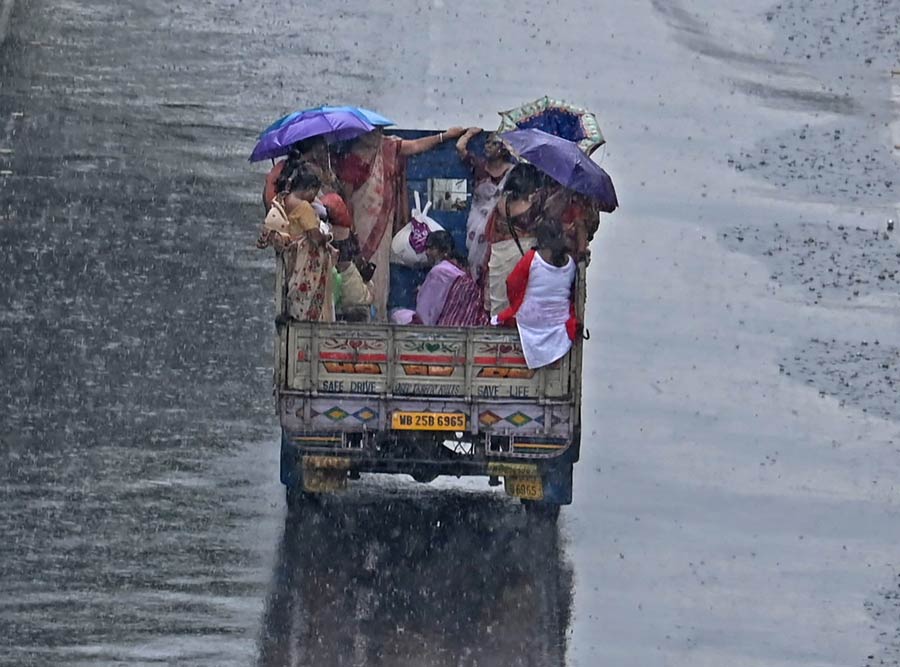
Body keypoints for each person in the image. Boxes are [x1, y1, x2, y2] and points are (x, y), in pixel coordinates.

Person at [333, 126, 467, 321]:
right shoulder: (351, 160)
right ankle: (358, 317)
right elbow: (344, 197)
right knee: (353, 270)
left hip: (380, 229)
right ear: (359, 134)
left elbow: (415, 146)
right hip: (358, 227)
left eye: (379, 131)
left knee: (378, 274)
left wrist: (443, 136)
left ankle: (375, 317)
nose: (376, 136)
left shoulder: (387, 147)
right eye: (372, 132)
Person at [257, 163, 335, 322]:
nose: (314, 198)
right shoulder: (304, 207)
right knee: (306, 293)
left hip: (290, 256)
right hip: (302, 259)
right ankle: (306, 316)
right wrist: (326, 237)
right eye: (314, 193)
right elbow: (314, 236)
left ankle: (293, 312)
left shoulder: (283, 198)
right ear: (310, 189)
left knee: (293, 289)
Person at [493, 221, 577, 369]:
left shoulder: (532, 258)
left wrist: (516, 305)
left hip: (530, 321)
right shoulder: (571, 264)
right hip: (559, 325)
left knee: (496, 320)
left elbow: (512, 284)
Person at [482, 163, 544, 316]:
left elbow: (488, 234)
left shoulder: (500, 205)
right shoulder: (534, 207)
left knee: (500, 307)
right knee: (521, 308)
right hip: (525, 261)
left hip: (498, 258)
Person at [390, 231, 488, 327]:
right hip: (465, 323)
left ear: (444, 251)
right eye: (427, 248)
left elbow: (426, 313)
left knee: (395, 314)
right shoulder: (461, 268)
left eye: (432, 248)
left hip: (444, 325)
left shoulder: (440, 271)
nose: (427, 252)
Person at [456, 128, 515, 284]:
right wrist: (470, 133)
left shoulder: (512, 172)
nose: (488, 146)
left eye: (493, 143)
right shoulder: (480, 167)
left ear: (503, 149)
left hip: (499, 225)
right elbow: (460, 147)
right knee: (476, 261)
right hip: (477, 223)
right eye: (487, 142)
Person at [262, 136, 336, 211]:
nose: (325, 152)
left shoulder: (281, 165)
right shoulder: (309, 169)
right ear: (315, 150)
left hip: (273, 212)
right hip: (290, 212)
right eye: (323, 148)